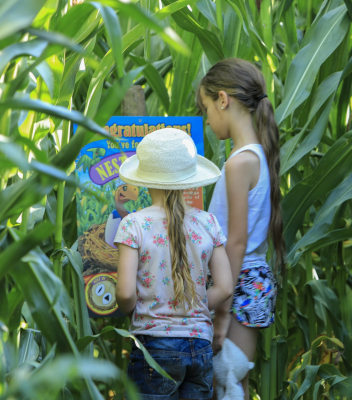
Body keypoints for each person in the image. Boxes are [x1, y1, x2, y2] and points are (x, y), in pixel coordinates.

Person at [114, 128, 234, 400]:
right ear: (189, 180)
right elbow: (225, 287)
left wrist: (135, 309)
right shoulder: (208, 223)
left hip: (153, 347)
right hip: (200, 345)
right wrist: (194, 305)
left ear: (146, 180)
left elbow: (124, 293)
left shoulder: (134, 224)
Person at [196, 58, 286, 400]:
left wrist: (220, 311)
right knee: (235, 383)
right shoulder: (257, 156)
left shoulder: (238, 163)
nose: (207, 118)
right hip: (252, 278)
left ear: (223, 99)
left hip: (237, 280)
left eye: (206, 107)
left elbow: (235, 242)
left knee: (226, 380)